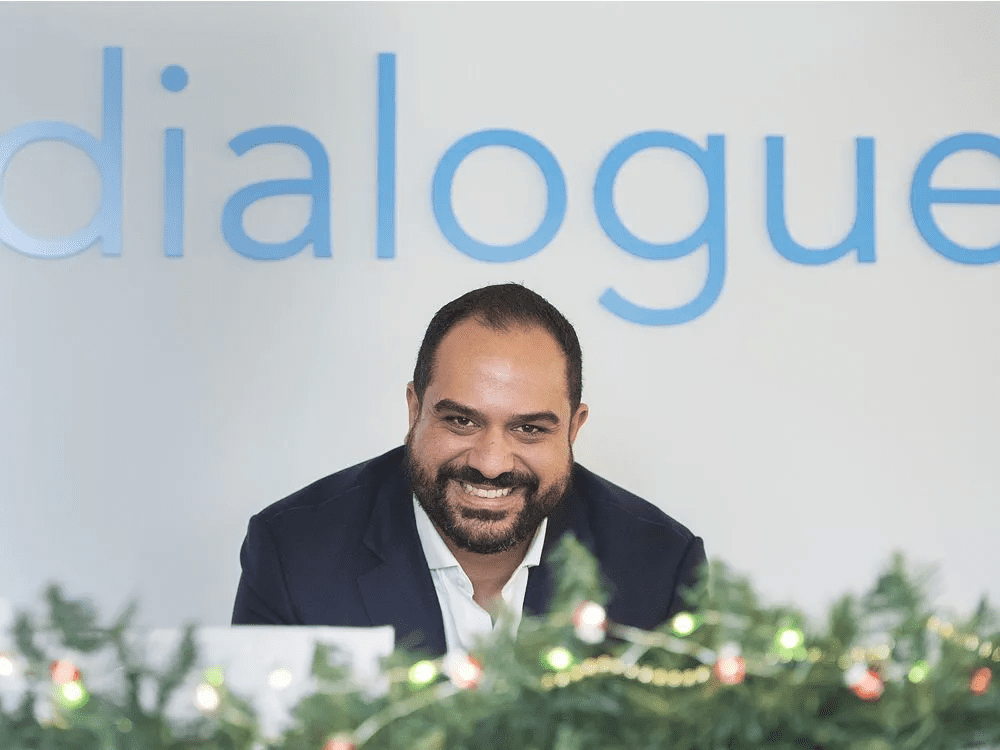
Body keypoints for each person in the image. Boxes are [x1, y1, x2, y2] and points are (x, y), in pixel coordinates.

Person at [232, 283, 705, 656]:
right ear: (414, 410)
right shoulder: (293, 554)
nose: (490, 463)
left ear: (573, 428)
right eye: (461, 421)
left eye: (529, 429)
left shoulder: (661, 566)